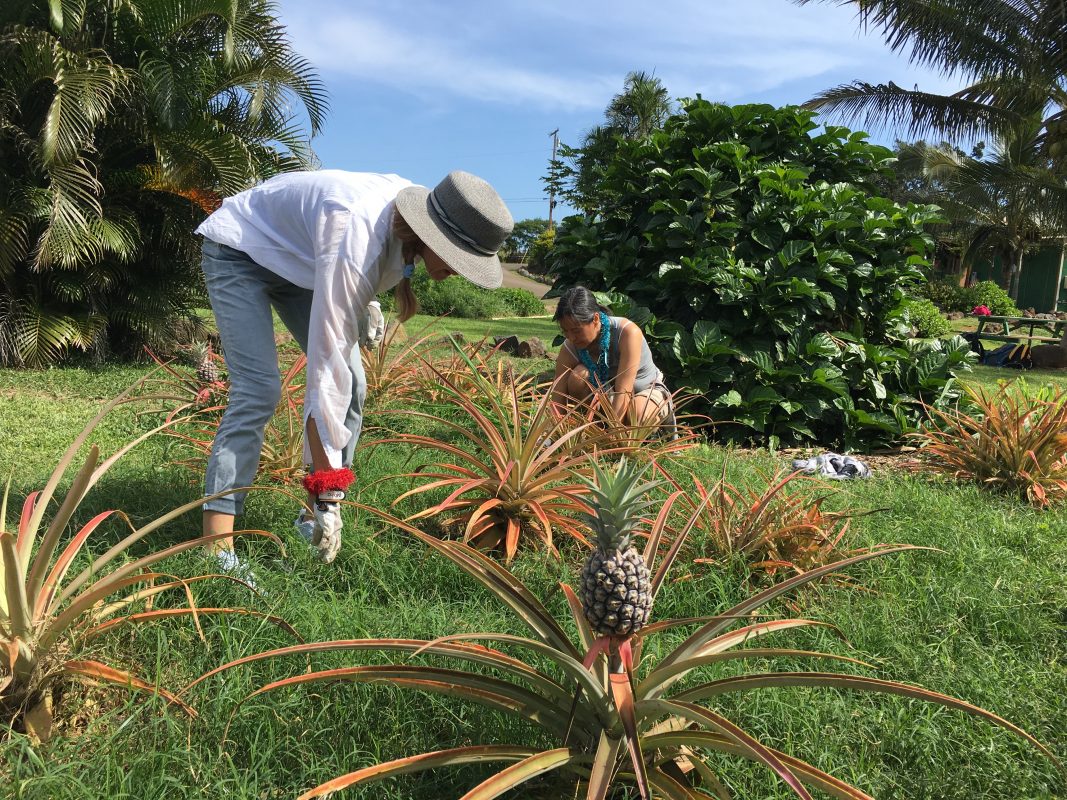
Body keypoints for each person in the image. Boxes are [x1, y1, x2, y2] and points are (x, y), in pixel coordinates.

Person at [195, 169, 513, 568]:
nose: (459, 271)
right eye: (457, 257)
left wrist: (368, 303)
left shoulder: (401, 230)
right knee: (259, 389)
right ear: (432, 235)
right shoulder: (356, 229)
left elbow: (358, 276)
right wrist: (329, 488)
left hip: (302, 263)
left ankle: (312, 518)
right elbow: (325, 375)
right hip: (241, 249)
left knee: (356, 386)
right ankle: (217, 546)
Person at [550, 286, 673, 429]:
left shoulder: (627, 333)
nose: (571, 337)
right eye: (565, 331)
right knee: (578, 377)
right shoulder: (570, 347)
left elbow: (623, 391)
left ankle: (636, 436)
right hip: (609, 394)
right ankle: (594, 427)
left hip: (644, 392)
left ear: (595, 319)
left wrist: (611, 439)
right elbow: (557, 394)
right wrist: (555, 434)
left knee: (637, 413)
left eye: (576, 330)